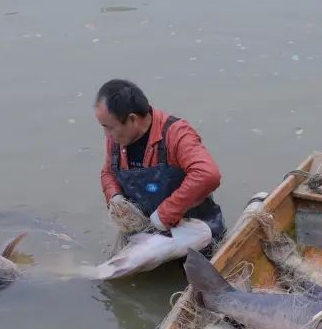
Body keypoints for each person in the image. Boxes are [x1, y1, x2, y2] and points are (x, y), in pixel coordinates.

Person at [95, 79, 226, 241]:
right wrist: (115, 198)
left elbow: (208, 175)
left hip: (194, 230)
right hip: (144, 233)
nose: (107, 135)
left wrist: (167, 213)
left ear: (133, 119)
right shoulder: (116, 139)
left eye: (109, 127)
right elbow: (108, 173)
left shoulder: (176, 134)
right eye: (104, 127)